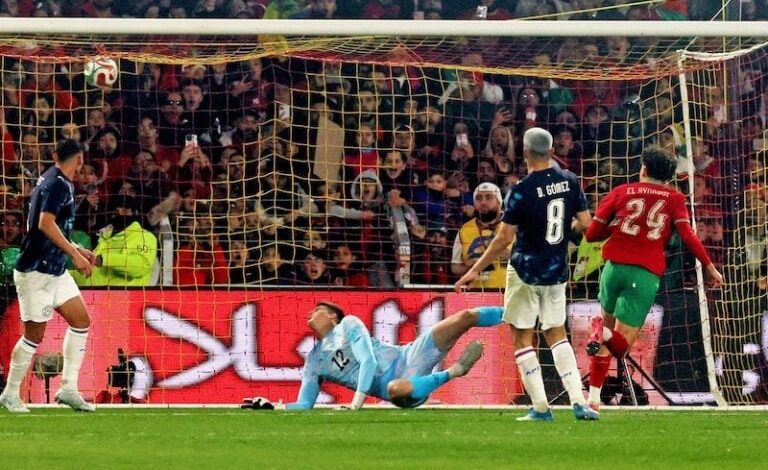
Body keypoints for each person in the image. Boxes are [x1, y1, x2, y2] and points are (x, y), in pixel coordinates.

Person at [454, 127, 597, 422]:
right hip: (557, 271)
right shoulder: (570, 181)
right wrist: (561, 237)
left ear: (525, 152)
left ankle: (541, 408)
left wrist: (474, 270)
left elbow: (504, 238)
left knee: (522, 337)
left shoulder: (521, 189)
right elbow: (586, 223)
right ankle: (578, 401)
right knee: (556, 333)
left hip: (525, 271)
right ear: (551, 150)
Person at [583, 146, 724, 412]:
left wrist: (616, 227)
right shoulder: (675, 198)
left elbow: (591, 235)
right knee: (620, 346)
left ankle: (593, 399)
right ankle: (601, 331)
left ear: (644, 169)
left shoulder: (621, 191)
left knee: (605, 339)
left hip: (612, 269)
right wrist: (709, 267)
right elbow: (688, 235)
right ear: (668, 177)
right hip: (643, 273)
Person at [0, 139, 97, 413]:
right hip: (36, 271)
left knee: (81, 321)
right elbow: (45, 224)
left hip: (55, 270)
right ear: (79, 159)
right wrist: (75, 255)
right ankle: (10, 393)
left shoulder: (52, 179)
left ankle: (68, 389)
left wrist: (76, 247)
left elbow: (51, 227)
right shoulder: (58, 184)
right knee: (34, 335)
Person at [280, 301, 502, 410]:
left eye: (317, 310)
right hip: (396, 387)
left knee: (464, 316)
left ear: (332, 316)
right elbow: (304, 404)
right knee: (397, 388)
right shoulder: (313, 361)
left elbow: (368, 360)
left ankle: (513, 313)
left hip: (409, 355)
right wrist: (276, 407)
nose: (310, 313)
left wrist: (356, 403)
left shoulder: (348, 324)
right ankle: (455, 371)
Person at [71, 195, 158, 287]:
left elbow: (141, 266)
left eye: (124, 209)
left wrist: (105, 259)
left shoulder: (144, 236)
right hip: (92, 293)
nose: (118, 212)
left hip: (123, 294)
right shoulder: (105, 237)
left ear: (135, 213)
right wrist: (67, 275)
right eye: (115, 209)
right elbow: (91, 272)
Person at [451, 182, 508, 289]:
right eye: (478, 198)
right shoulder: (464, 230)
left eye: (489, 197)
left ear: (499, 202)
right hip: (476, 292)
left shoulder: (513, 227)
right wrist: (470, 267)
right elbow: (455, 267)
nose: (483, 202)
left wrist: (509, 255)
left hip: (509, 292)